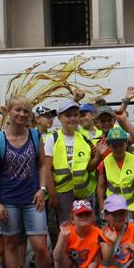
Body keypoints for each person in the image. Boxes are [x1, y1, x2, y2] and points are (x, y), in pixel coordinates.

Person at [0, 95, 54, 268]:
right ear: (9, 111)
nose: (22, 114)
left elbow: (42, 164)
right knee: (11, 244)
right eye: (18, 109)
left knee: (40, 245)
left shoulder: (35, 136)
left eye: (26, 111)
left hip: (32, 199)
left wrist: (42, 188)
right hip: (9, 199)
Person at [45, 99, 94, 235]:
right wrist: (52, 195)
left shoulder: (84, 139)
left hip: (82, 192)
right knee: (66, 227)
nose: (72, 118)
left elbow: (89, 167)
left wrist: (97, 156)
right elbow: (47, 169)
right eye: (68, 115)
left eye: (75, 115)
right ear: (59, 117)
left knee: (83, 227)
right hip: (62, 193)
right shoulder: (53, 139)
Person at [52, 199, 105, 268]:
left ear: (93, 217)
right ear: (72, 219)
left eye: (87, 214)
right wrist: (62, 238)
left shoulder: (98, 233)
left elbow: (98, 258)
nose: (83, 217)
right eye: (79, 214)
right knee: (61, 259)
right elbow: (56, 258)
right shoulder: (67, 232)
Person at [96, 126, 134, 214]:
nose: (118, 149)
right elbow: (101, 187)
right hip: (112, 208)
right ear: (109, 146)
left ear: (126, 144)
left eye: (121, 145)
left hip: (132, 207)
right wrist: (101, 205)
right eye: (114, 146)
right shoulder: (104, 163)